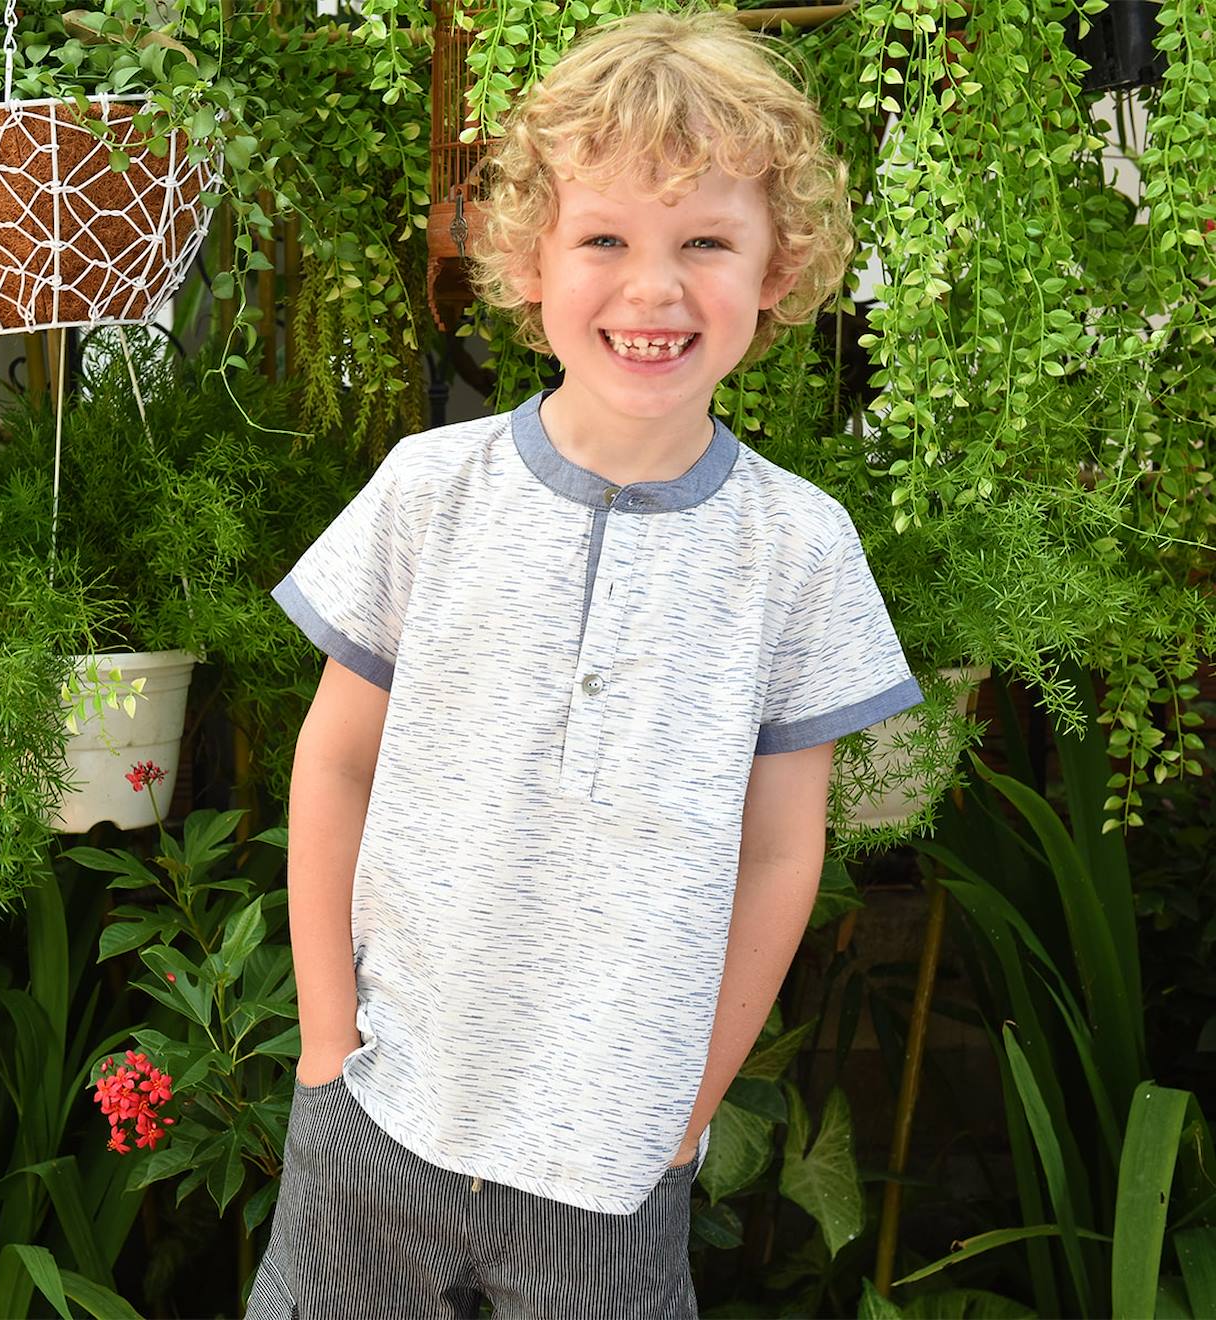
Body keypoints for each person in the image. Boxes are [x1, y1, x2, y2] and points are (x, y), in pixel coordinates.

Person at [246, 9, 923, 1319]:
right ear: (530, 259)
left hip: (616, 1157)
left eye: (707, 243)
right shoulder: (428, 492)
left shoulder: (800, 552)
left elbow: (783, 853)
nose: (653, 290)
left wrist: (689, 1111)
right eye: (604, 238)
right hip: (380, 1115)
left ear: (778, 269)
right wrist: (328, 1045)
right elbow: (334, 760)